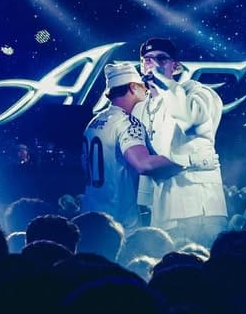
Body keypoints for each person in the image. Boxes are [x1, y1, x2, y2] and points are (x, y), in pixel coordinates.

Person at [82, 62, 217, 231]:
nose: (146, 91)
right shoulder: (127, 122)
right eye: (142, 86)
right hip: (118, 223)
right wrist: (191, 160)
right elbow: (143, 164)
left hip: (90, 216)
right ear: (133, 87)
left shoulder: (94, 123)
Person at [132, 38, 228, 247]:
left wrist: (161, 80)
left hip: (201, 209)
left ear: (175, 67)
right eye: (148, 59)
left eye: (161, 59)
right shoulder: (141, 108)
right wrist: (145, 204)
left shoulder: (198, 93)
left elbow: (190, 121)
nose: (153, 64)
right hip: (163, 211)